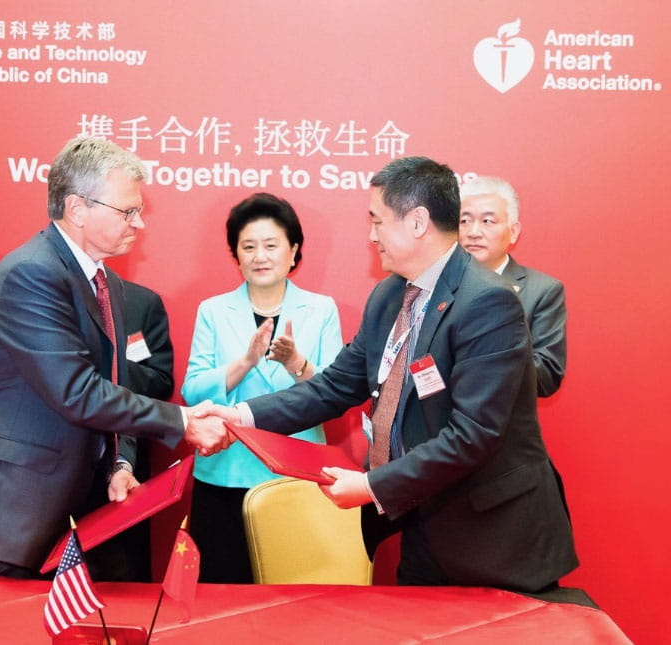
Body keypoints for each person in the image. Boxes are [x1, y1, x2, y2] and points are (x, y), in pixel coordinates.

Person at [202, 157, 577, 592]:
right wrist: (242, 417)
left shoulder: (486, 302)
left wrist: (371, 485)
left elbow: (474, 434)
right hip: (423, 521)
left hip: (493, 534)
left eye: (377, 221)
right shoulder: (389, 294)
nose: (371, 235)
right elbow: (335, 385)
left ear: (418, 222)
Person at [0, 136, 231, 578]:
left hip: (79, 510)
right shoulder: (31, 274)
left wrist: (121, 461)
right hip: (13, 510)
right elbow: (75, 391)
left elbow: (112, 384)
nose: (140, 223)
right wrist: (184, 422)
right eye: (127, 211)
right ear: (77, 209)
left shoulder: (102, 280)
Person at [182, 193, 343, 582]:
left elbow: (336, 391)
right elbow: (192, 389)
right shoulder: (213, 310)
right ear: (236, 255)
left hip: (294, 472)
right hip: (225, 471)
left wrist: (295, 363)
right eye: (248, 247)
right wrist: (244, 362)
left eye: (271, 245)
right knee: (222, 592)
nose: (260, 256)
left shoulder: (321, 310)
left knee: (293, 593)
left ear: (293, 251)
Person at [459, 175, 566, 397]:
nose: (473, 232)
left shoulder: (542, 291)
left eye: (487, 221)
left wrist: (475, 359)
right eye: (464, 221)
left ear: (513, 231)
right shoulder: (436, 286)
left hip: (499, 427)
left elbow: (546, 377)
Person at [106, 278, 176, 581]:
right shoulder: (47, 291)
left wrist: (108, 366)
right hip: (53, 467)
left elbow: (161, 381)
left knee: (123, 576)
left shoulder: (140, 301)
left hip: (127, 459)